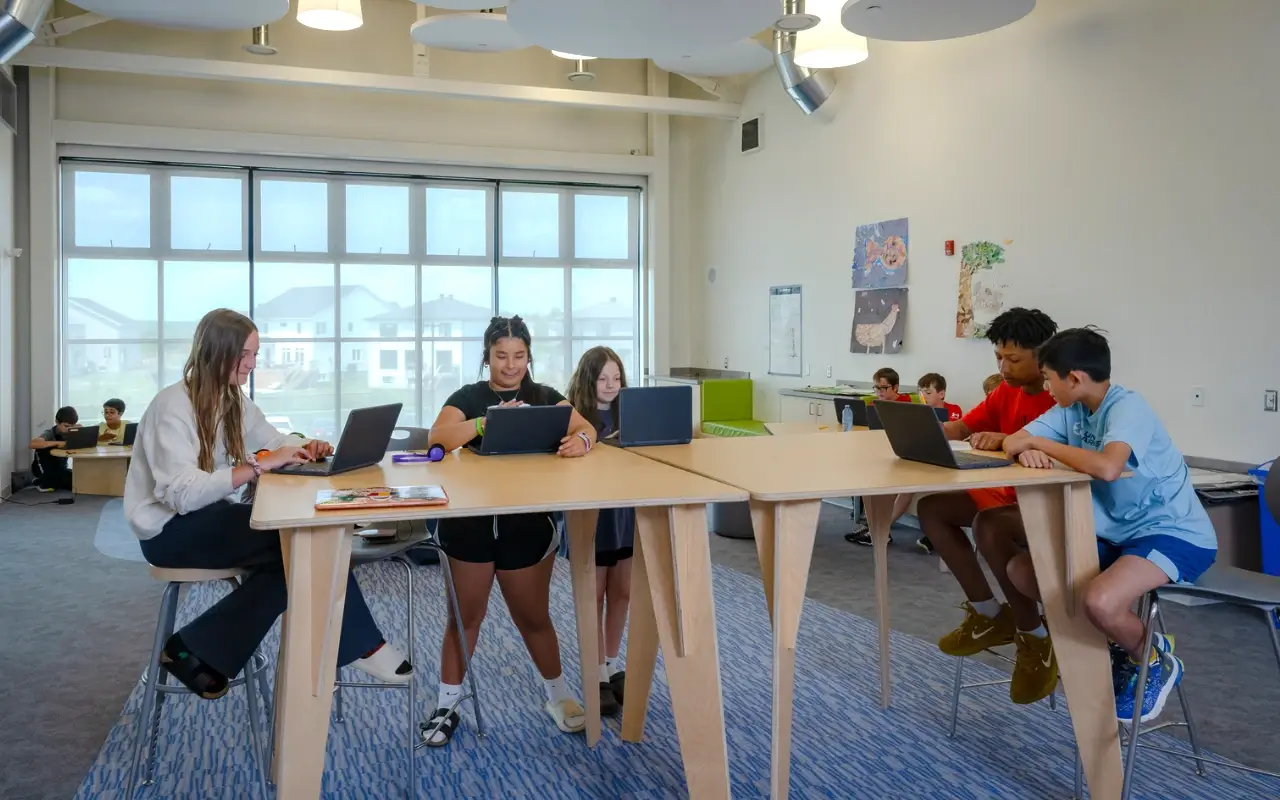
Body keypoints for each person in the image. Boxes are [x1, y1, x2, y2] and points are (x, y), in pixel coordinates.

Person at [124, 309, 412, 700]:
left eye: (255, 355)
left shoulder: (231, 400)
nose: (252, 365)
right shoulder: (172, 406)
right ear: (217, 351)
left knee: (296, 555)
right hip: (169, 529)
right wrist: (256, 466)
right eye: (246, 355)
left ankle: (192, 649)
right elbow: (183, 494)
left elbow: (272, 440)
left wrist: (304, 446)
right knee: (299, 544)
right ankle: (365, 645)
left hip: (208, 515)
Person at [1002, 328, 1216, 724]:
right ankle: (1119, 645)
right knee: (1024, 571)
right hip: (1115, 533)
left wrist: (1043, 446)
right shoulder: (1071, 410)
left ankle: (1153, 657)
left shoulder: (1127, 407)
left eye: (1049, 378)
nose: (1045, 387)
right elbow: (1014, 441)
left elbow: (1108, 467)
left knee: (1100, 601)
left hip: (1171, 531)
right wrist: (1028, 446)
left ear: (1075, 378)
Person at [423, 315, 597, 746]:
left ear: (529, 357)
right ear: (487, 357)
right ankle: (447, 704)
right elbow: (438, 439)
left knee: (534, 618)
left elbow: (586, 427)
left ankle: (558, 696)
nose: (511, 365)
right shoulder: (469, 396)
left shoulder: (543, 396)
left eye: (519, 356)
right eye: (501, 356)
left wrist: (584, 442)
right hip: (471, 525)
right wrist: (486, 422)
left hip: (526, 525)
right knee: (464, 618)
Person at [916, 307, 1059, 705]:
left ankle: (1035, 637)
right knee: (932, 509)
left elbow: (1050, 446)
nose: (1004, 366)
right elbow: (964, 427)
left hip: (1047, 503)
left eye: (1013, 359)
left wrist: (1007, 438)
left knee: (990, 526)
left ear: (1043, 355)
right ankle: (989, 615)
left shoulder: (1060, 394)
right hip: (1007, 494)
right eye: (999, 357)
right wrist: (920, 428)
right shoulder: (1005, 390)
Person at [563, 346, 635, 716]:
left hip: (626, 514)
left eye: (617, 378)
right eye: (603, 378)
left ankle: (610, 661)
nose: (611, 385)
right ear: (589, 380)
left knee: (622, 591)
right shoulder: (576, 418)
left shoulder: (633, 412)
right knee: (595, 595)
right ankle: (594, 670)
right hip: (593, 516)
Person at [847, 367, 915, 547]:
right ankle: (874, 526)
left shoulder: (908, 405)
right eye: (876, 388)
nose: (879, 392)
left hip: (905, 455)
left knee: (897, 486)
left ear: (895, 388)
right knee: (866, 477)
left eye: (883, 388)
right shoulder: (874, 405)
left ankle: (881, 529)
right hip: (882, 453)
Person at [29, 406, 79, 491]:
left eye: (72, 426)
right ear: (57, 422)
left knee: (78, 481)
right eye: (66, 426)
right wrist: (59, 443)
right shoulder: (50, 433)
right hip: (44, 468)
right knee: (42, 447)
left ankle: (52, 481)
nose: (69, 429)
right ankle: (41, 480)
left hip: (61, 468)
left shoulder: (73, 430)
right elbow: (33, 444)